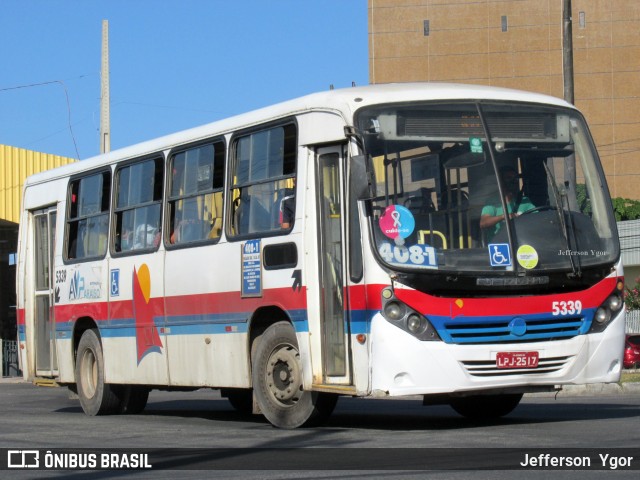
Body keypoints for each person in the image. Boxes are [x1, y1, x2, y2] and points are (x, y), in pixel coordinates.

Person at [480, 166, 535, 241]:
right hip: (499, 247)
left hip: (521, 244)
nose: (513, 181)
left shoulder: (524, 201)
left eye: (515, 178)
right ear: (501, 181)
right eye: (508, 178)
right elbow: (483, 223)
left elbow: (538, 218)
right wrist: (504, 216)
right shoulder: (492, 202)